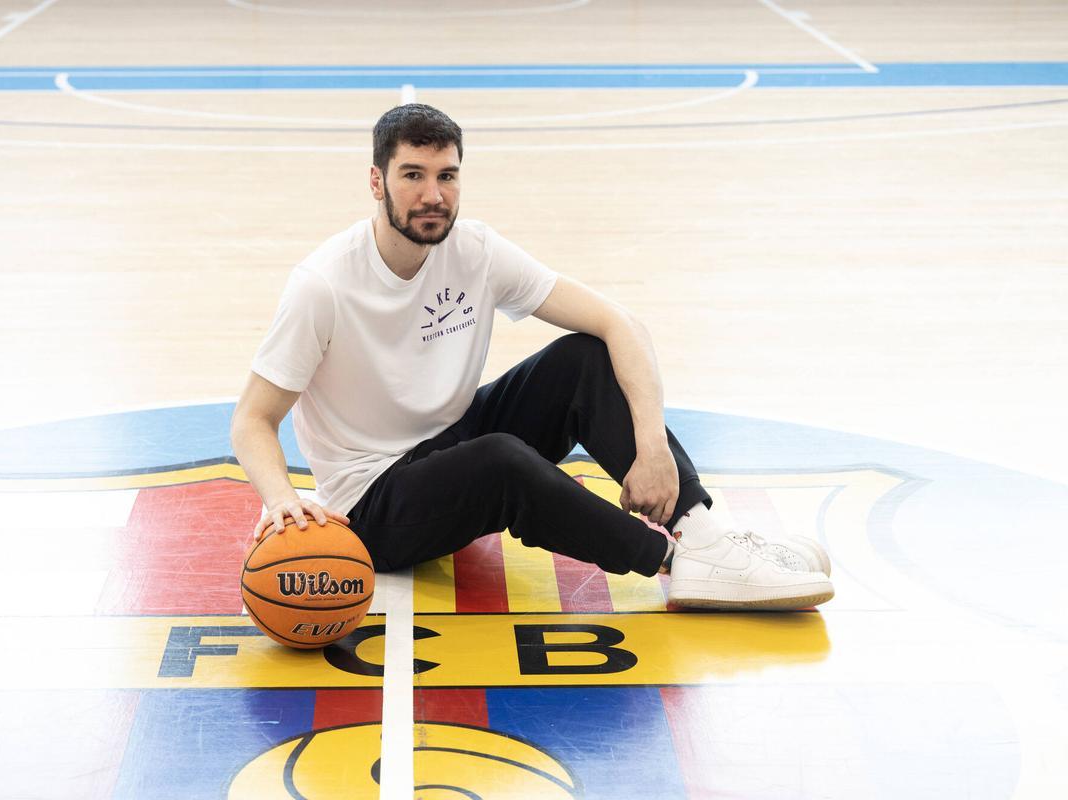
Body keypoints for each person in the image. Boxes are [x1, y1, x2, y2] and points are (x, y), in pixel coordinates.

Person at [230, 103, 833, 610]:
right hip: (375, 503)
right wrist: (282, 499)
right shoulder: (323, 285)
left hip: (450, 444)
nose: (432, 195)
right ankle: (673, 562)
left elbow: (620, 324)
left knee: (581, 359)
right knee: (501, 460)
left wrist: (650, 448)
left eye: (447, 176)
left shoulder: (476, 251)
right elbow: (253, 419)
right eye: (412, 175)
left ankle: (706, 535)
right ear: (375, 181)